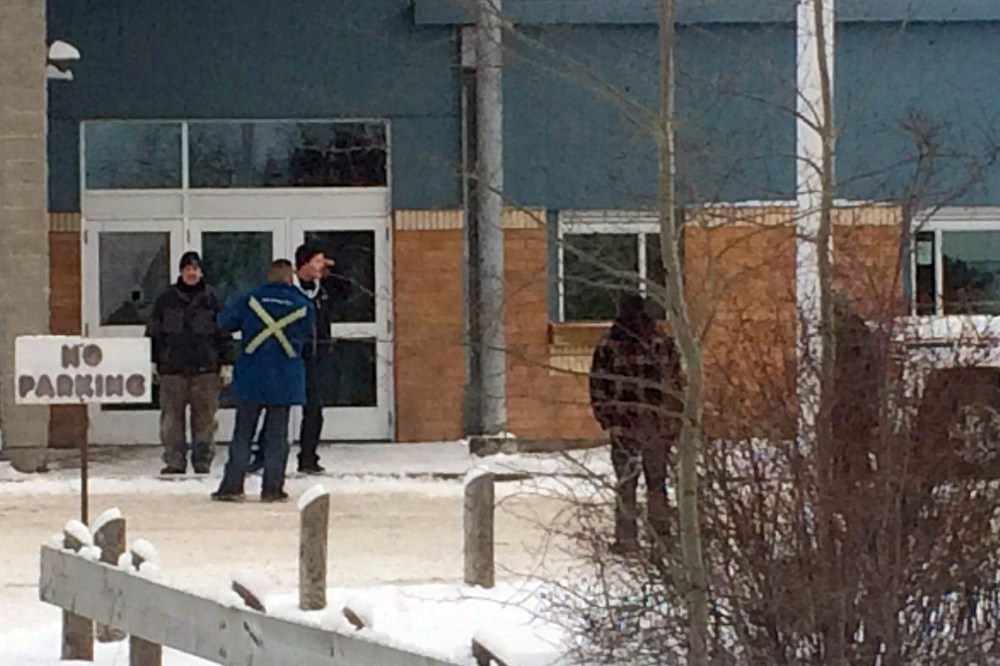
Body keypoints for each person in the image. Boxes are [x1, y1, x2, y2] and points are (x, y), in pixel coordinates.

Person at [212, 260, 315, 502]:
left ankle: (232, 487)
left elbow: (223, 322)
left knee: (243, 433)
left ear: (269, 276)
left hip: (252, 376)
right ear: (290, 278)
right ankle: (272, 489)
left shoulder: (250, 299)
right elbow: (309, 336)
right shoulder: (303, 304)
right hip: (284, 378)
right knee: (277, 436)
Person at [589, 294, 683, 554]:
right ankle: (661, 537)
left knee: (626, 482)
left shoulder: (609, 344)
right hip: (657, 424)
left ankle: (627, 539)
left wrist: (607, 419)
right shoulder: (660, 342)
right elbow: (676, 383)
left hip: (624, 425)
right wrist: (674, 420)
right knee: (657, 483)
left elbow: (598, 385)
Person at [146, 251, 234, 475]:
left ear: (200, 271)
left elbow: (224, 333)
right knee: (171, 422)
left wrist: (227, 362)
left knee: (205, 421)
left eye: (195, 269)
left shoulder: (213, 298)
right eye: (187, 269)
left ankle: (202, 462)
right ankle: (174, 462)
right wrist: (152, 361)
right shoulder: (165, 299)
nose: (191, 273)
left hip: (206, 370)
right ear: (181, 271)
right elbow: (154, 333)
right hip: (172, 370)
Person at [293, 244, 335, 474]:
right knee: (278, 408)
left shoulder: (323, 290)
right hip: (293, 357)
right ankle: (262, 455)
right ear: (304, 263)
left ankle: (308, 457)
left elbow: (351, 289)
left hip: (317, 357)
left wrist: (333, 270)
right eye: (317, 261)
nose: (321, 266)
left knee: (314, 409)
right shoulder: (291, 290)